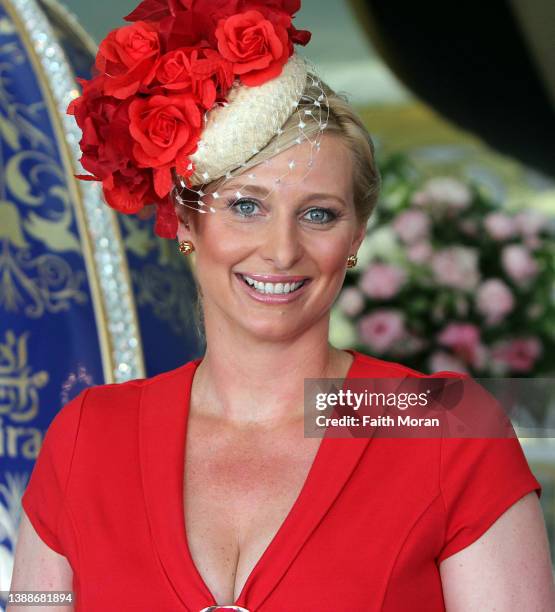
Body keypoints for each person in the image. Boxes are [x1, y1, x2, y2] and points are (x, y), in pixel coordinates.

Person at [9, 1, 555, 610]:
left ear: (355, 237)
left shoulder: (441, 423)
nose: (282, 249)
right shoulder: (87, 437)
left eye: (318, 214)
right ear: (187, 220)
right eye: (246, 206)